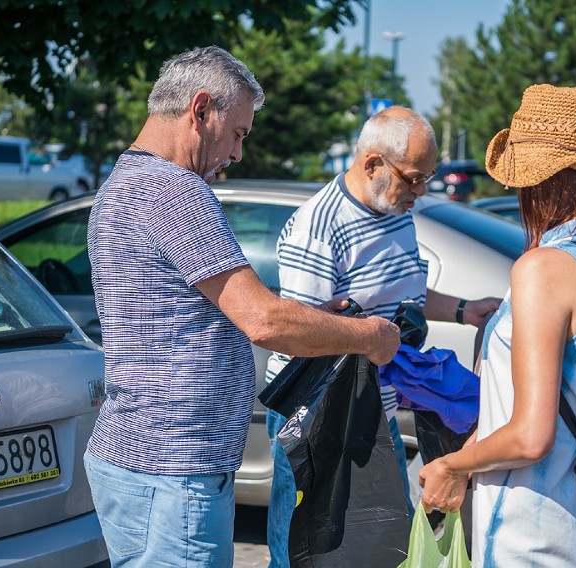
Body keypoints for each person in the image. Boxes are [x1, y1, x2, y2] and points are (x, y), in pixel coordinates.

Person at [82, 46, 401, 568]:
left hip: (145, 458)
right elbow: (263, 320)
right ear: (200, 109)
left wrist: (319, 319)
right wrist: (370, 336)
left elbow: (194, 312)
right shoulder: (173, 189)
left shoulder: (126, 182)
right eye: (239, 133)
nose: (238, 153)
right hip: (172, 466)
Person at [419, 84, 576, 566]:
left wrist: (452, 465)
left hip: (531, 532)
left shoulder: (546, 268)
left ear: (546, 180)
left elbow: (532, 435)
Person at [264, 105, 500, 567]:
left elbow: (402, 293)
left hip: (375, 408)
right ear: (372, 164)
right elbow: (300, 335)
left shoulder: (394, 210)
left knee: (383, 544)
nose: (421, 190)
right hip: (317, 418)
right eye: (413, 177)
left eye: (427, 177)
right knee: (304, 551)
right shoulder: (319, 227)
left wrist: (461, 310)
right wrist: (369, 336)